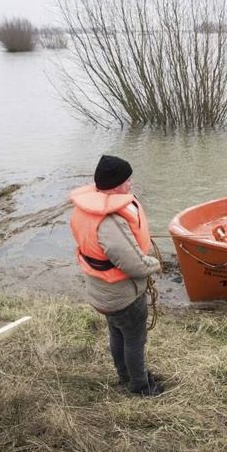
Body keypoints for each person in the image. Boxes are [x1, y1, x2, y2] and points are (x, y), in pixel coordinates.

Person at [69, 155, 164, 397]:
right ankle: (140, 387)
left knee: (117, 334)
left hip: (102, 293)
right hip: (123, 296)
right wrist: (154, 264)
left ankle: (125, 376)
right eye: (127, 180)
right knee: (134, 341)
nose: (130, 183)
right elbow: (136, 266)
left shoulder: (84, 211)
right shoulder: (109, 222)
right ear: (115, 185)